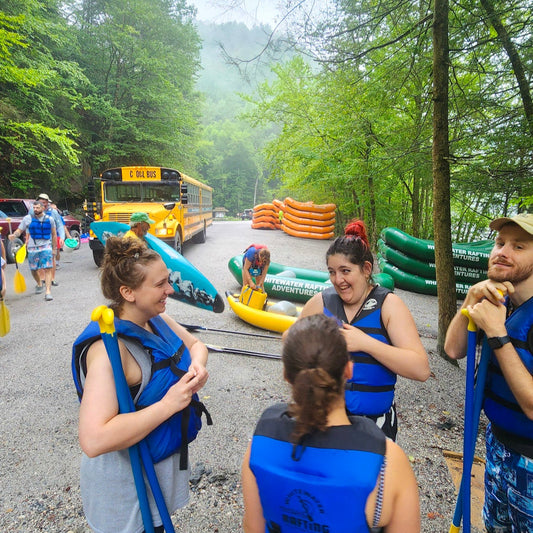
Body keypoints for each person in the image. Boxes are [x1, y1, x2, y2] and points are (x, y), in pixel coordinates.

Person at [72, 237, 210, 533]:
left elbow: (196, 344)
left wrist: (197, 365)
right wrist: (169, 405)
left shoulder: (156, 319)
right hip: (127, 500)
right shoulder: (110, 352)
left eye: (168, 281)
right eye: (160, 284)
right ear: (128, 292)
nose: (170, 290)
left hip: (156, 482)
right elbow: (93, 439)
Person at [241, 314, 421, 533]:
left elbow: (253, 527)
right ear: (348, 370)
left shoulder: (259, 444)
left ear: (287, 375)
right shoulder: (389, 462)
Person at [296, 219, 430, 440]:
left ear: (366, 269)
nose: (338, 280)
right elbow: (291, 348)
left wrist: (365, 343)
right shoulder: (321, 302)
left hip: (375, 428)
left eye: (345, 271)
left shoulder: (389, 305)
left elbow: (421, 369)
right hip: (324, 421)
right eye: (332, 272)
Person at [444, 213, 533, 533]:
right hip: (497, 446)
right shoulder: (502, 303)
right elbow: (453, 350)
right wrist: (470, 299)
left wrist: (498, 335)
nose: (501, 252)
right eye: (499, 243)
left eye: (518, 246)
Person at [8, 200, 57, 301]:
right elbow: (19, 230)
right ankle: (39, 283)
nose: (35, 209)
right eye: (34, 208)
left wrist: (54, 249)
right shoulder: (27, 219)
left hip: (46, 246)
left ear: (43, 208)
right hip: (32, 247)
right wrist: (14, 235)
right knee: (33, 269)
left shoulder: (50, 219)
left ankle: (48, 291)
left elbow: (54, 234)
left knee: (47, 268)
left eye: (37, 207)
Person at [36, 193, 64, 286]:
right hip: (39, 238)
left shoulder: (53, 212)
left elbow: (59, 225)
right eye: (40, 202)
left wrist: (62, 238)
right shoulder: (33, 212)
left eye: (44, 202)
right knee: (39, 259)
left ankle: (52, 278)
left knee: (52, 257)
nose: (42, 204)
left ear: (47, 203)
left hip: (52, 238)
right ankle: (42, 278)